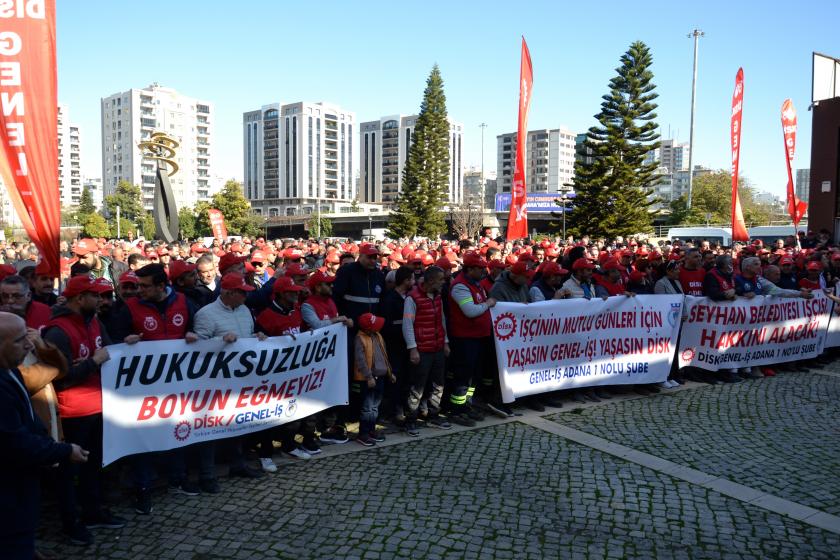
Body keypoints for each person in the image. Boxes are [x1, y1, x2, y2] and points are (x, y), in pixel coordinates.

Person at [0, 312, 90, 560]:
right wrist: (63, 450)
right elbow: (13, 442)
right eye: (20, 340)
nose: (29, 345)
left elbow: (29, 420)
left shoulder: (11, 370)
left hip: (22, 486)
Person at [42, 275, 123, 546]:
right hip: (72, 412)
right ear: (80, 298)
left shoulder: (94, 321)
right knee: (68, 472)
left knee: (94, 465)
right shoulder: (57, 331)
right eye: (95, 296)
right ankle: (70, 523)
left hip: (99, 405)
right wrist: (92, 362)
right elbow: (59, 377)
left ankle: (93, 512)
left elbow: (108, 351)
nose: (100, 300)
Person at [193, 272, 267, 479]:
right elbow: (196, 348)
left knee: (239, 423)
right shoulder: (206, 314)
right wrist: (220, 340)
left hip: (240, 380)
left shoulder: (244, 310)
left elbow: (244, 339)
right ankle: (207, 474)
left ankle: (237, 464)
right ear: (229, 293)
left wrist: (256, 337)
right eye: (242, 293)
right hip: (213, 382)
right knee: (210, 428)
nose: (246, 296)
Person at [300, 270, 354, 444]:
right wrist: (337, 320)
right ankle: (312, 431)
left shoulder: (330, 301)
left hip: (332, 357)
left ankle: (329, 428)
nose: (332, 286)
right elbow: (316, 325)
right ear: (317, 287)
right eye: (328, 284)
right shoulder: (308, 305)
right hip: (316, 359)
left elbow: (334, 323)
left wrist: (346, 322)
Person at [402, 266, 451, 436]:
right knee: (418, 386)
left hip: (437, 347)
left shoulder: (438, 297)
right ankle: (411, 420)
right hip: (422, 349)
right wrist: (412, 348)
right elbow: (407, 325)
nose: (444, 282)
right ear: (431, 281)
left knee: (438, 384)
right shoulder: (412, 298)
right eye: (441, 279)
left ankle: (433, 415)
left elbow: (441, 320)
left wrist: (445, 342)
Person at [354, 313, 395, 446]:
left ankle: (371, 430)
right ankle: (363, 433)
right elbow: (360, 361)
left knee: (375, 407)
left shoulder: (378, 336)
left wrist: (390, 372)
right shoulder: (360, 338)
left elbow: (384, 356)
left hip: (381, 377)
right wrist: (369, 377)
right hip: (369, 380)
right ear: (368, 329)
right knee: (367, 408)